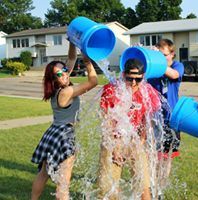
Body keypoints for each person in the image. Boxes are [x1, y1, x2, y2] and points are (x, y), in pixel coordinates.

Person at [31, 42, 98, 200]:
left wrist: (72, 42)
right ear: (53, 79)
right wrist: (87, 61)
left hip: (53, 132)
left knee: (44, 173)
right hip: (64, 135)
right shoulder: (67, 91)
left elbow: (71, 57)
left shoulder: (56, 89)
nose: (65, 74)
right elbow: (93, 82)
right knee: (64, 179)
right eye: (59, 74)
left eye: (65, 70)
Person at [97, 58, 162, 200]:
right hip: (112, 141)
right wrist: (114, 148)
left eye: (137, 80)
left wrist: (141, 141)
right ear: (123, 74)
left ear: (143, 77)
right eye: (129, 78)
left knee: (143, 187)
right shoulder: (111, 90)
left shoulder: (148, 92)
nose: (133, 83)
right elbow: (105, 121)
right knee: (108, 191)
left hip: (135, 141)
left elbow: (147, 121)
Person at [148, 39, 184, 161]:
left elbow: (174, 75)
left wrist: (157, 60)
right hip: (154, 118)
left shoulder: (177, 66)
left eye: (165, 55)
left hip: (171, 119)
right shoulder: (152, 67)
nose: (162, 58)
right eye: (160, 56)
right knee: (153, 154)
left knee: (167, 157)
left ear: (173, 54)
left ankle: (163, 180)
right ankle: (155, 180)